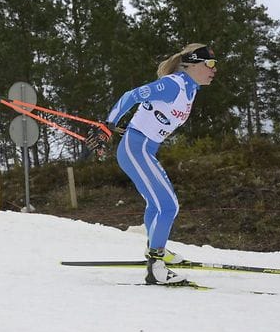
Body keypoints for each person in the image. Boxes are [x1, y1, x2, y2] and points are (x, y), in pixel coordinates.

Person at [87, 43, 218, 284]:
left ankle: (157, 250)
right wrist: (107, 124)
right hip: (136, 150)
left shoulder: (191, 89)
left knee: (157, 205)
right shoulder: (174, 84)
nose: (214, 69)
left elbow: (154, 113)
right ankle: (156, 265)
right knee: (169, 206)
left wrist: (133, 126)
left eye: (214, 64)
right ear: (192, 65)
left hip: (144, 149)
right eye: (209, 64)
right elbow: (132, 95)